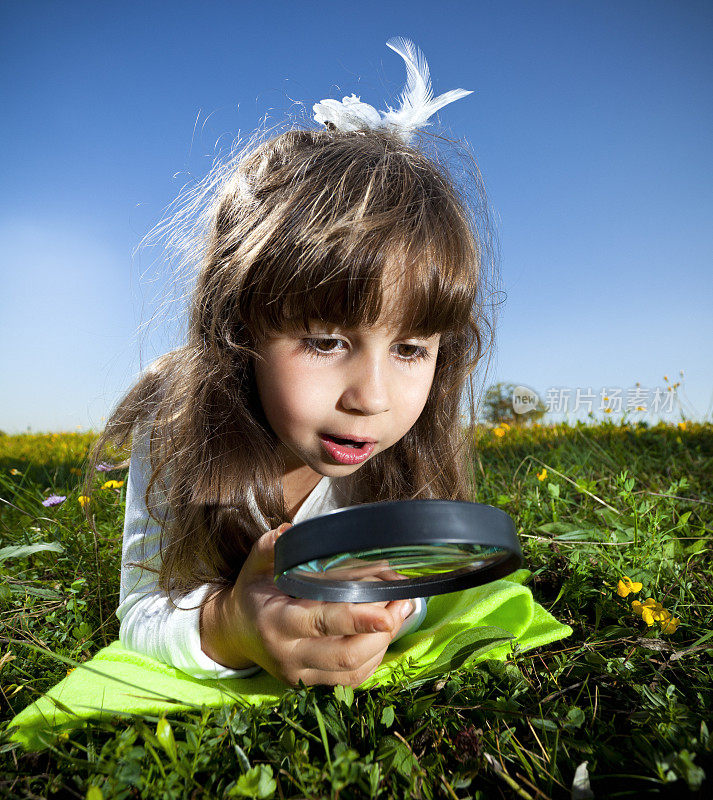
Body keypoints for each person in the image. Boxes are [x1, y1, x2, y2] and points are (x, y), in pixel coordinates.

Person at [87, 37, 498, 688]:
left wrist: (387, 611)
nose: (372, 397)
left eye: (410, 348)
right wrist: (234, 625)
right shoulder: (174, 422)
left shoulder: (404, 444)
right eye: (325, 341)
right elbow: (142, 611)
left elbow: (421, 578)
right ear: (238, 323)